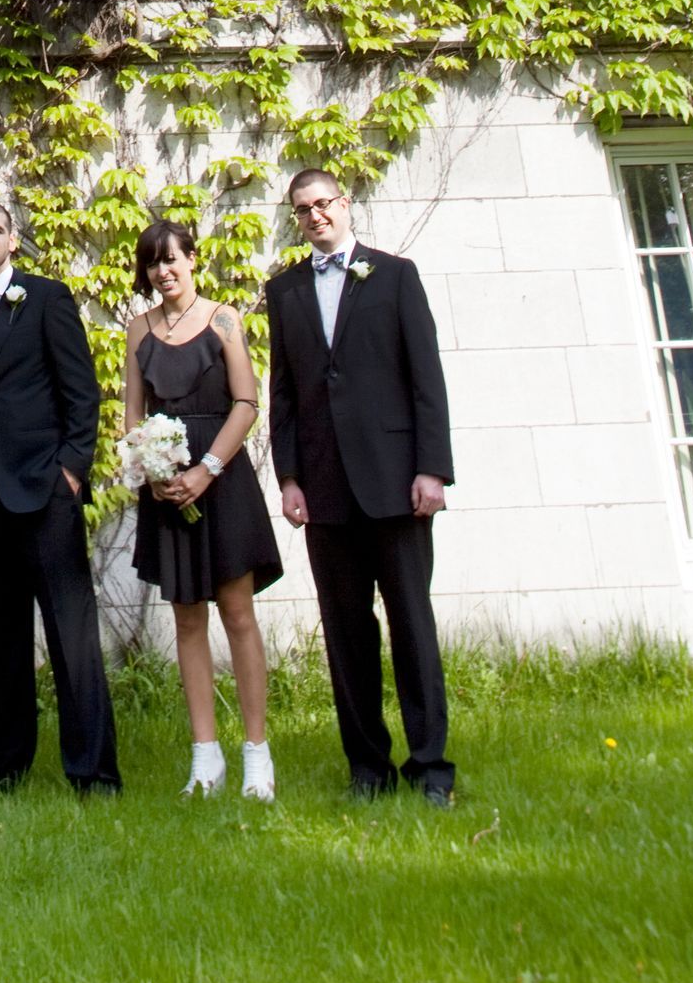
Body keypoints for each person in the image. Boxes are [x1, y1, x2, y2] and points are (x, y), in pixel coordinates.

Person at [265, 167, 456, 803]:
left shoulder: (396, 275)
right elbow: (284, 392)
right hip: (323, 491)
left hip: (397, 486)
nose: (316, 216)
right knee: (346, 633)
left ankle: (430, 767)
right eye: (303, 210)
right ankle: (368, 770)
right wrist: (289, 477)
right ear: (295, 220)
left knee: (412, 624)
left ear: (345, 206)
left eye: (324, 204)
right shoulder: (284, 291)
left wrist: (432, 469)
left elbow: (426, 377)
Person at [0, 199, 120, 795]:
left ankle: (93, 773)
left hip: (44, 493)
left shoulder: (46, 298)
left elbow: (82, 391)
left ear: (13, 241)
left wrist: (70, 472)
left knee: (72, 634)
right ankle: (5, 766)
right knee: (0, 637)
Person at [122, 219, 282, 799]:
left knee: (238, 615)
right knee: (188, 618)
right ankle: (205, 758)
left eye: (172, 260)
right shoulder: (137, 331)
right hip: (168, 490)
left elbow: (246, 402)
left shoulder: (224, 319)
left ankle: (256, 756)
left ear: (193, 259)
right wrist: (157, 473)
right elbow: (133, 418)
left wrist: (205, 470)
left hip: (222, 479)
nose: (163, 272)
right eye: (152, 263)